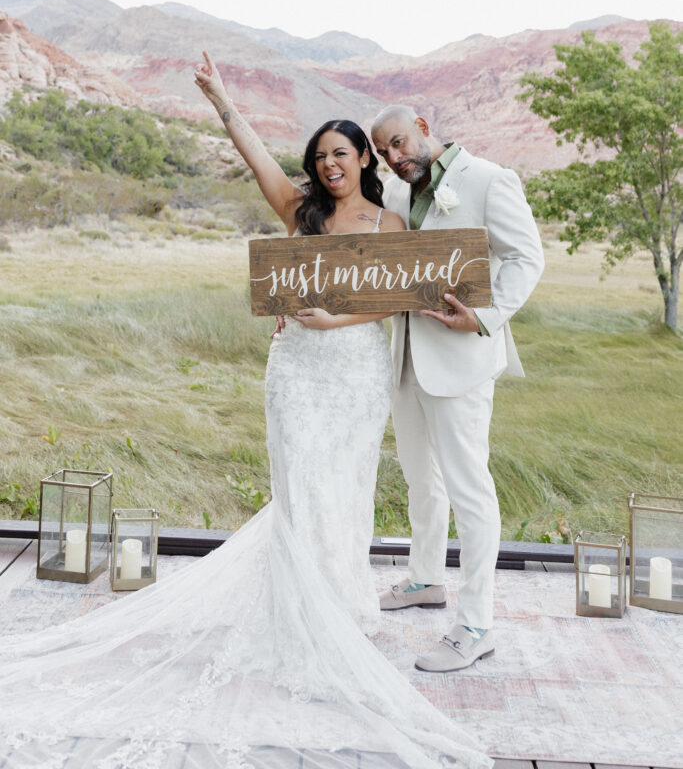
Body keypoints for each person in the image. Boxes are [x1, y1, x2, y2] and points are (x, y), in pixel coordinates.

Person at [0, 61, 492, 769]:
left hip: (356, 374)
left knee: (344, 493)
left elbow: (402, 297)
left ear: (364, 159)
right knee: (299, 492)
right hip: (294, 373)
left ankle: (339, 608)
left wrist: (337, 319)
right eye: (319, 157)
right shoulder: (299, 212)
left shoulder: (389, 221)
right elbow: (254, 154)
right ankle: (296, 622)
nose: (328, 165)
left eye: (341, 154)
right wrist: (221, 98)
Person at [371, 104, 544, 674]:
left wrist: (484, 317)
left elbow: (526, 257)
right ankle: (425, 578)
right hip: (406, 358)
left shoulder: (490, 180)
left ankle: (476, 625)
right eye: (385, 152)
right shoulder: (398, 193)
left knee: (470, 489)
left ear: (423, 128)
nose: (395, 158)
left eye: (399, 143)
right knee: (421, 479)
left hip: (461, 360)